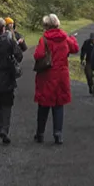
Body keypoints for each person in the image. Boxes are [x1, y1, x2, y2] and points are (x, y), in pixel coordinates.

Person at [31, 14, 79, 144]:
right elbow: (75, 48)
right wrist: (72, 39)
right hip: (61, 75)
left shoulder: (44, 39)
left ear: (46, 25)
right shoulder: (64, 38)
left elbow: (38, 55)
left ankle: (40, 133)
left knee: (44, 105)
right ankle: (58, 133)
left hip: (47, 75)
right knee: (58, 105)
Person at [81, 31, 94, 97]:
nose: (93, 41)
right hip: (89, 61)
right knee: (89, 75)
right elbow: (83, 51)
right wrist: (82, 59)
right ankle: (90, 86)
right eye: (92, 39)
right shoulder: (86, 42)